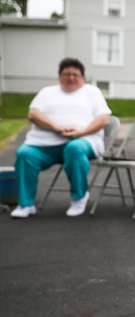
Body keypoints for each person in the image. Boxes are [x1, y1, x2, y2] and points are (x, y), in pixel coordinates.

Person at [11, 58, 112, 218]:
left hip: (83, 142)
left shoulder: (92, 92)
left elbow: (103, 119)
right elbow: (34, 114)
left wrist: (80, 133)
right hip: (44, 145)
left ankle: (79, 198)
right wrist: (56, 127)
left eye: (75, 74)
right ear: (59, 77)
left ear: (82, 77)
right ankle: (26, 204)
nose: (71, 77)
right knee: (24, 153)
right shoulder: (47, 92)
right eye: (66, 74)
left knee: (74, 148)